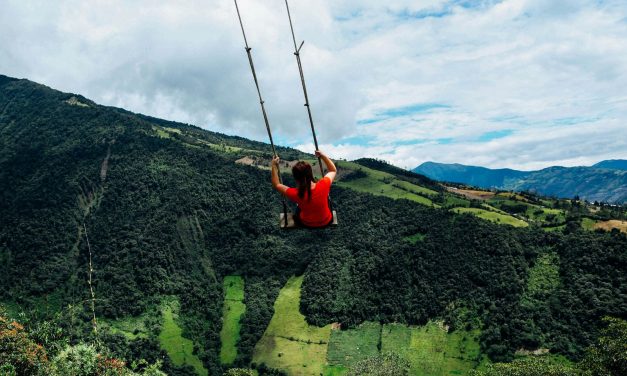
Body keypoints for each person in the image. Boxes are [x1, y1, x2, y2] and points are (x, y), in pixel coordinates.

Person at [271, 150, 336, 228]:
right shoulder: (324, 184)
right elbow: (333, 170)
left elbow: (277, 184)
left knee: (298, 206)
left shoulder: (296, 193)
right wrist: (322, 155)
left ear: (296, 178)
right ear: (310, 173)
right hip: (326, 220)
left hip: (306, 223)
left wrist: (274, 165)